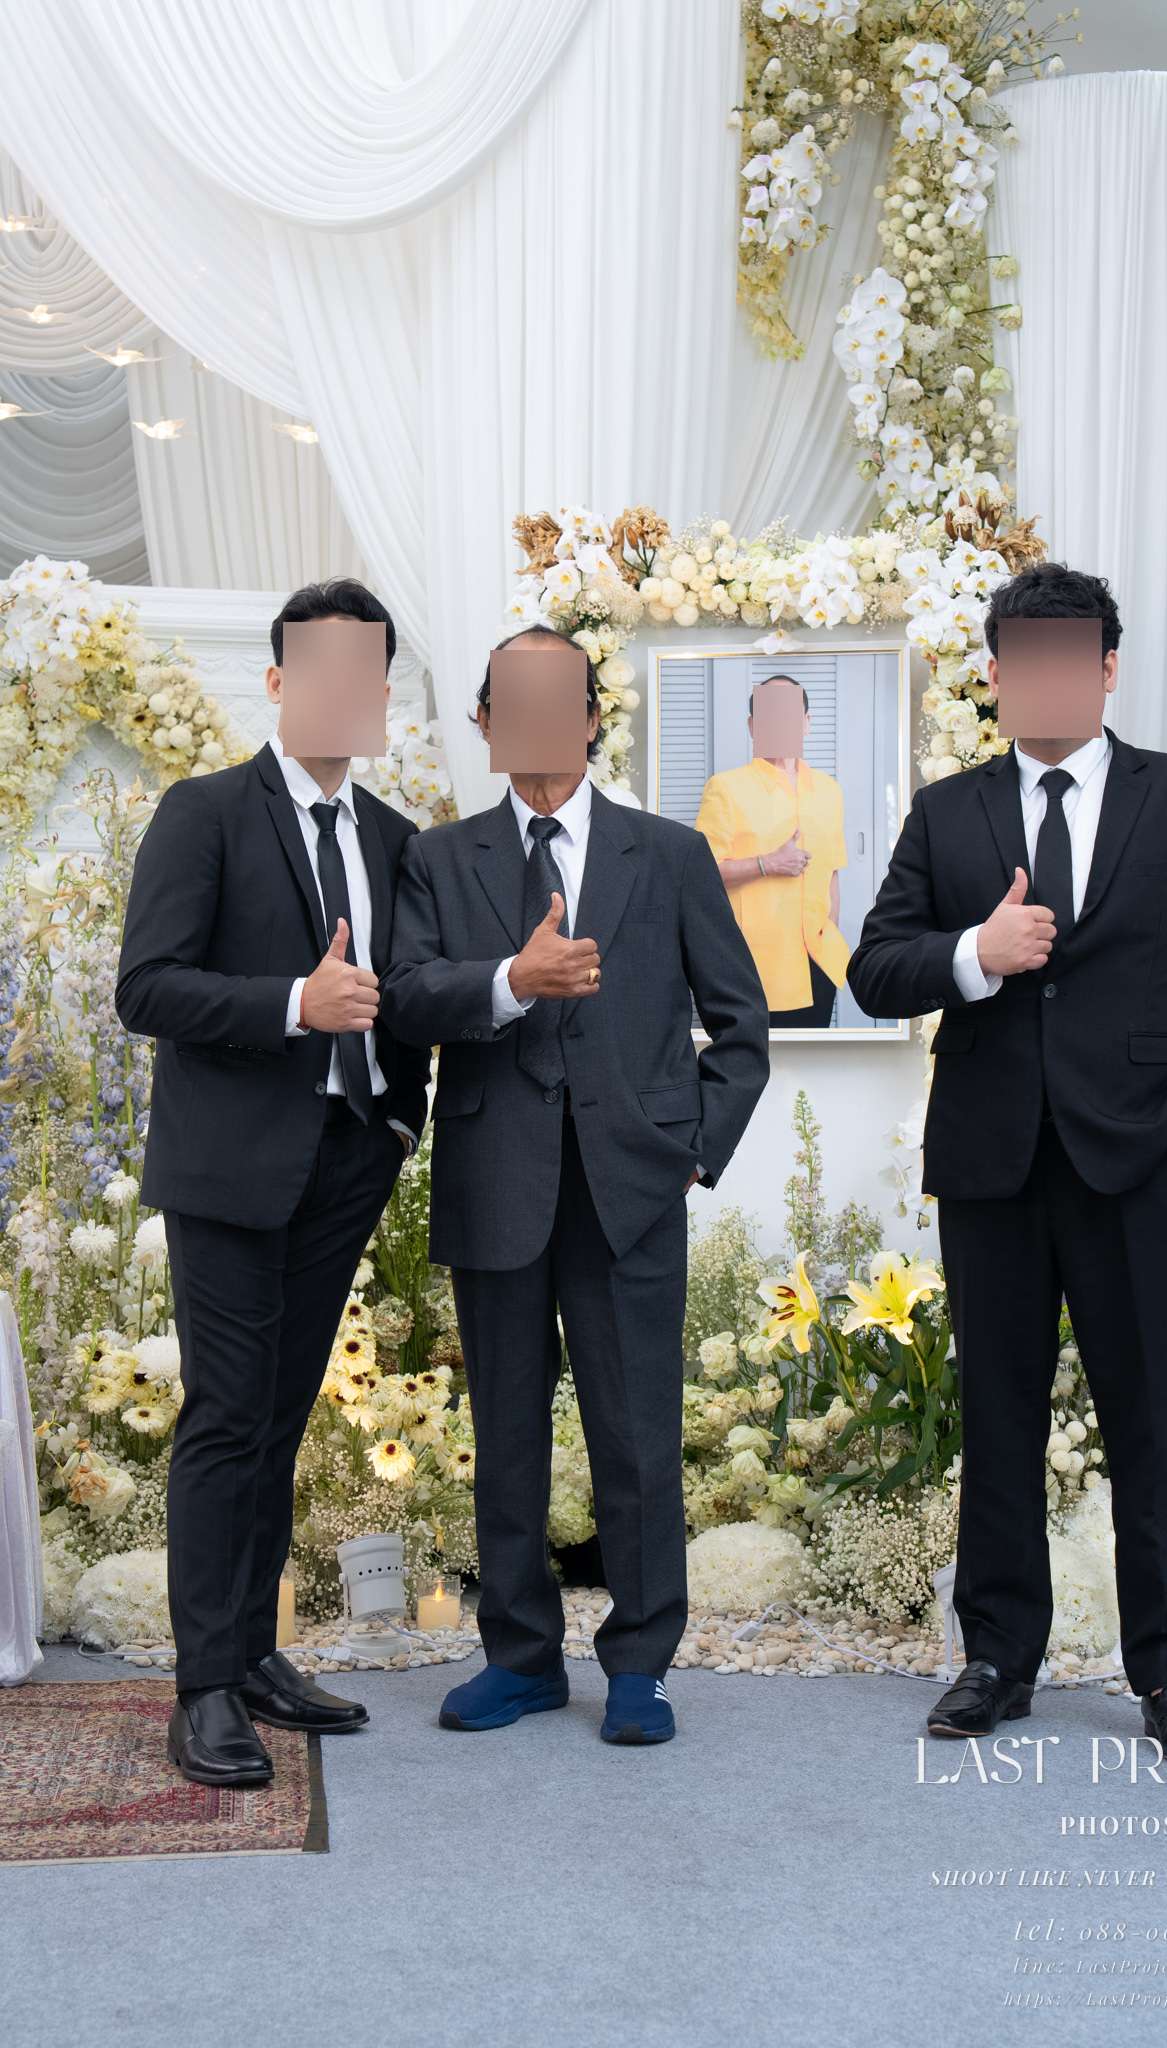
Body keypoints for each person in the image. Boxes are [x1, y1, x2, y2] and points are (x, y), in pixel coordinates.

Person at [847, 563, 1167, 1764]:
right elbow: (875, 967)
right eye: (1024, 658)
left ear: (1105, 668)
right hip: (992, 1164)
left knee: (1149, 1423)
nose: (1046, 677)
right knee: (997, 1420)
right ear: (997, 675)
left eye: (1070, 656)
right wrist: (975, 950)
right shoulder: (947, 812)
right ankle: (998, 1657)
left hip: (1144, 1161)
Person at [382, 624, 769, 1746]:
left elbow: (740, 1025)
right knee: (505, 1434)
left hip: (629, 1191)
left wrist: (690, 1148)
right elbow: (406, 997)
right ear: (485, 723)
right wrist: (512, 978)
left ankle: (640, 1664)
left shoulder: (671, 853)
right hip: (494, 1180)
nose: (538, 721)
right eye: (513, 702)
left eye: (561, 700)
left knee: (637, 1433)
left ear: (594, 718)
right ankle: (520, 1659)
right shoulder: (439, 858)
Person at [116, 578, 430, 1789]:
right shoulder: (203, 812)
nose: (346, 693)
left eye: (367, 675)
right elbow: (148, 986)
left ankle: (253, 1652)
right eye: (323, 670)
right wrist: (297, 1001)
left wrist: (396, 1118)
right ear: (279, 681)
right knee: (228, 1414)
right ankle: (204, 1686)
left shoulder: (394, 835)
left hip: (347, 1159)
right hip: (230, 1168)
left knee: (284, 1416)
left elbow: (414, 991)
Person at [695, 675, 850, 1027]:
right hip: (752, 965)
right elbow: (701, 874)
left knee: (810, 1061)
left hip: (818, 961)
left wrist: (830, 933)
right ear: (753, 726)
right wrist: (768, 863)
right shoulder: (726, 788)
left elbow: (832, 873)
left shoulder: (829, 790)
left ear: (806, 723)